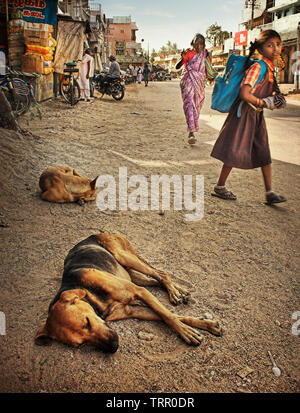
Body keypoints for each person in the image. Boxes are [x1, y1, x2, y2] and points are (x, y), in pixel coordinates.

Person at [210, 30, 287, 205]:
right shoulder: (258, 67)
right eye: (270, 45)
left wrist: (275, 101)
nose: (275, 48)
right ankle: (220, 186)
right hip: (244, 113)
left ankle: (269, 192)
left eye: (278, 44)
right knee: (234, 150)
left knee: (263, 151)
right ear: (260, 48)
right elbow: (245, 93)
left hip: (256, 115)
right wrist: (264, 102)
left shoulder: (269, 68)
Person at [176, 33, 208, 145]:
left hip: (200, 83)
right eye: (197, 44)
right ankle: (191, 132)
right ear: (193, 44)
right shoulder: (189, 53)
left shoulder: (205, 54)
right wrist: (183, 58)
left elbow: (208, 67)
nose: (199, 47)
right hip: (189, 80)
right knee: (190, 104)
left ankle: (192, 127)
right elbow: (177, 66)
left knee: (197, 106)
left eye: (201, 44)